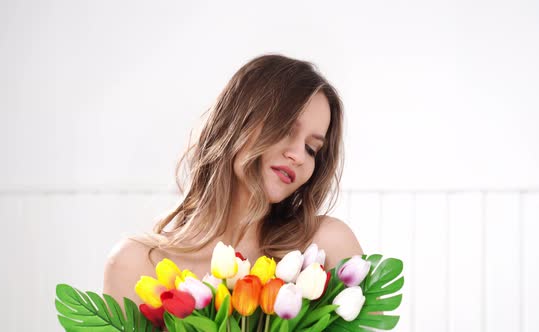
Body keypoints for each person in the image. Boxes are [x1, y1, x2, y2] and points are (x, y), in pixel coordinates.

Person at [103, 54, 363, 307]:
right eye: (285, 129)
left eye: (311, 149)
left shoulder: (327, 246)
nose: (298, 156)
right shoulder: (135, 264)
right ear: (237, 123)